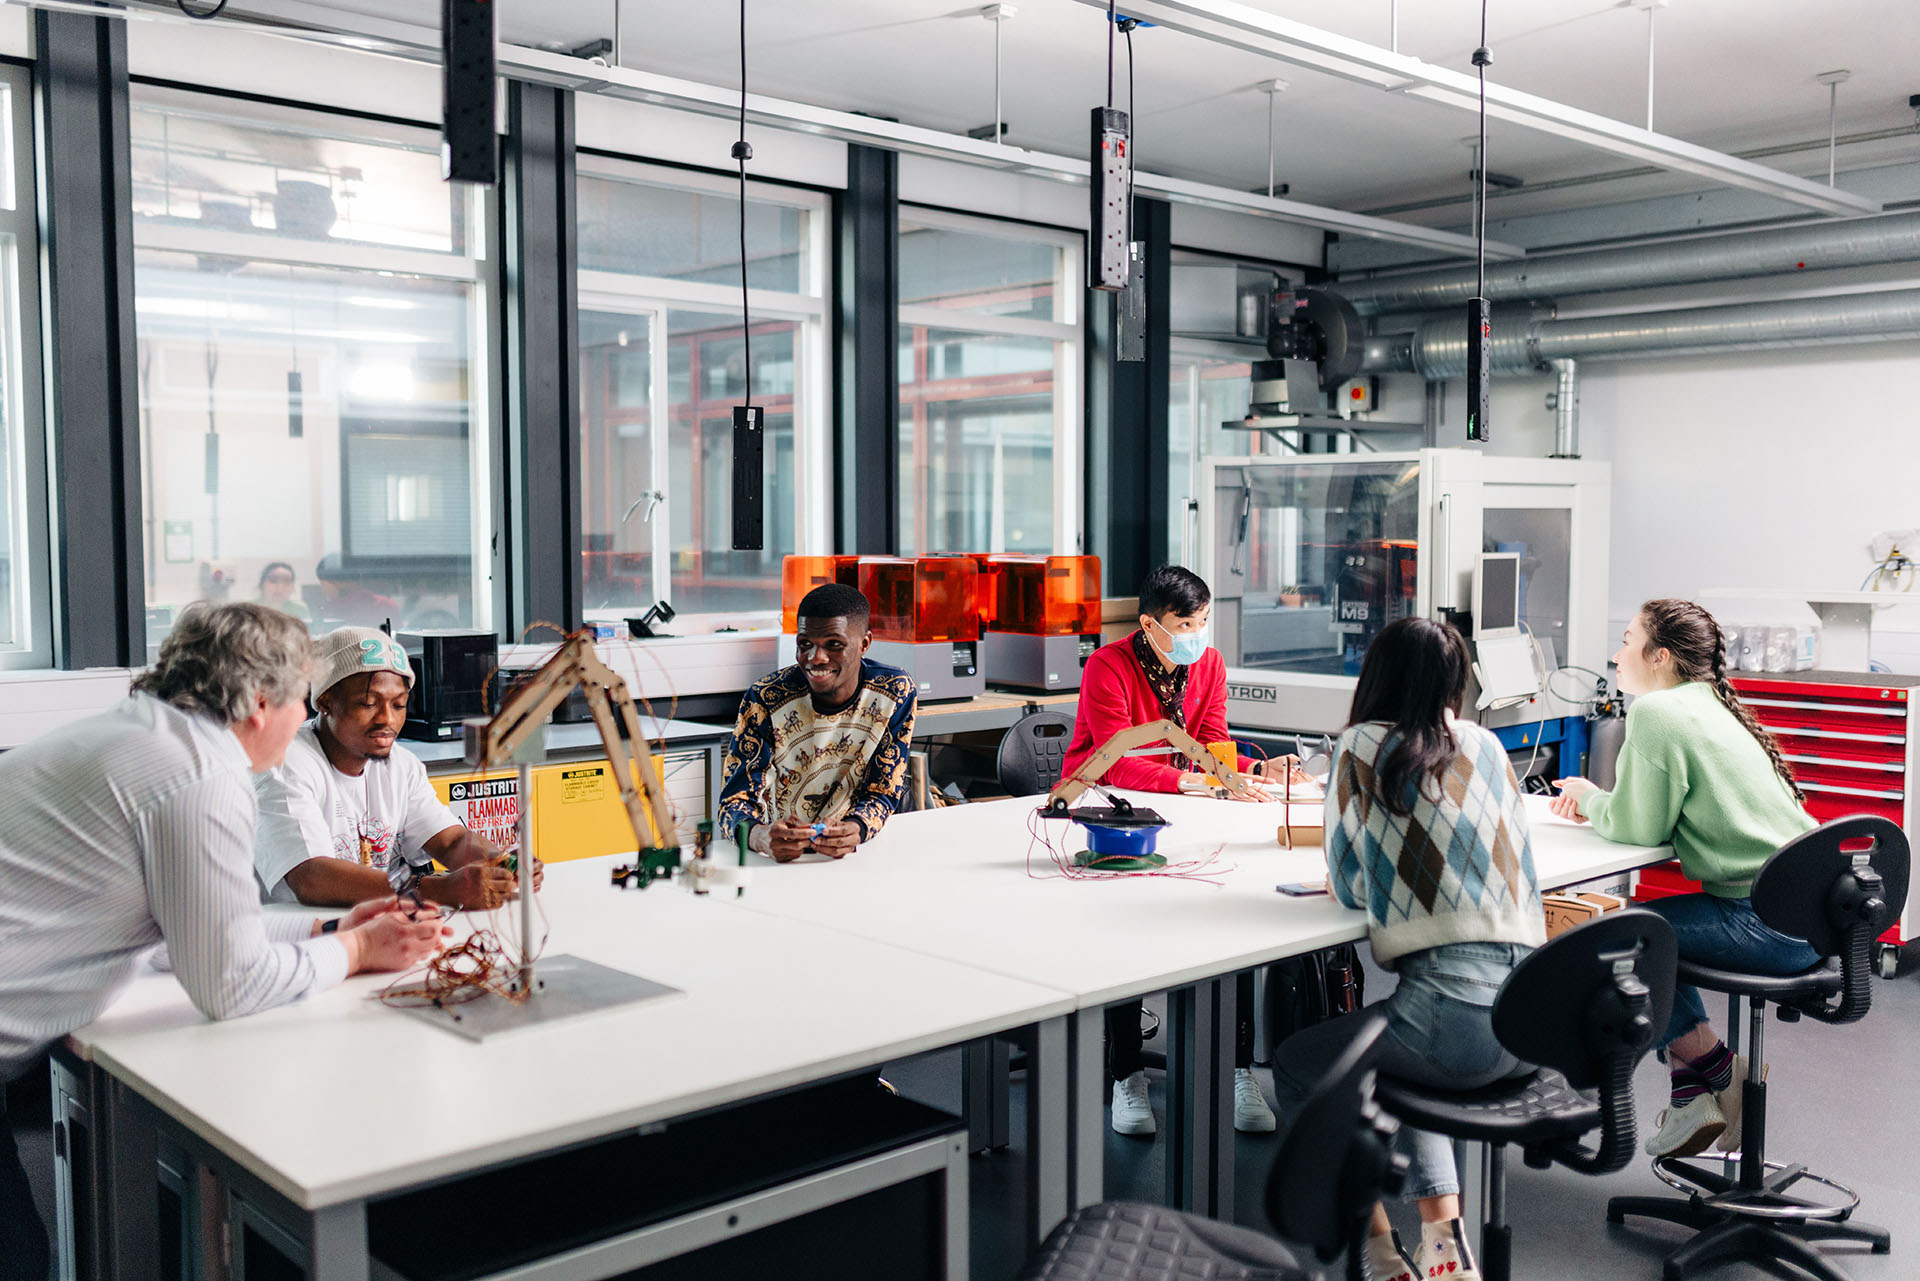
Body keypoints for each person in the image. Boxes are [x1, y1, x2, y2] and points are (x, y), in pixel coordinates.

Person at [0, 604, 447, 1279]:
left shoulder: (150, 736)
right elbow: (229, 981)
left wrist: (333, 928)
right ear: (261, 701)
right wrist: (353, 954)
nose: (304, 719)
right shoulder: (200, 774)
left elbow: (192, 927)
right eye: (303, 700)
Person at [1272, 617, 1544, 1281]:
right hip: (1531, 1019)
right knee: (1401, 1050)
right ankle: (1446, 1242)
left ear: (1376, 677)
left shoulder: (1361, 745)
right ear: (1455, 683)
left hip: (1455, 1028)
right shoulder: (1485, 743)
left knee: (1303, 1064)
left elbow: (1346, 883)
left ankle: (1376, 1244)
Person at [1551, 598, 1815, 1160]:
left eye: (1626, 639)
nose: (1616, 653)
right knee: (1657, 931)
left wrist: (1590, 798)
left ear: (1661, 655)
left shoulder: (1656, 713)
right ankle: (1693, 1091)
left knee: (1626, 938)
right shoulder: (1710, 702)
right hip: (1809, 910)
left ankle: (1719, 1073)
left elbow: (1637, 826)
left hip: (1765, 921)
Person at [1061, 564, 1303, 1138]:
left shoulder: (1208, 664)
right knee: (1124, 935)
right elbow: (1114, 760)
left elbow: (1211, 744)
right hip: (1111, 810)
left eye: (1204, 621)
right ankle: (1126, 1074)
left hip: (1187, 812)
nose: (1198, 633)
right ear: (1149, 624)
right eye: (1186, 623)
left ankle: (1240, 1069)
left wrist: (1252, 767)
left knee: (1234, 923)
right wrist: (1194, 780)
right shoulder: (1107, 666)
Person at [255, 627, 538, 910]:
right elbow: (311, 877)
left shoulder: (401, 766)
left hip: (369, 925)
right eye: (368, 703)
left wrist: (500, 862)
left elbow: (450, 841)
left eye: (399, 704)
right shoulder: (283, 764)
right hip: (296, 935)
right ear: (326, 703)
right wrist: (438, 890)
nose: (387, 719)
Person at [718, 583, 917, 861]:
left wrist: (856, 828)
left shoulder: (895, 692)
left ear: (864, 644)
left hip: (857, 856)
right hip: (780, 858)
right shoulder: (765, 698)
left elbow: (882, 791)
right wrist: (760, 836)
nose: (816, 658)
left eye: (834, 645)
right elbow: (732, 804)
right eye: (805, 644)